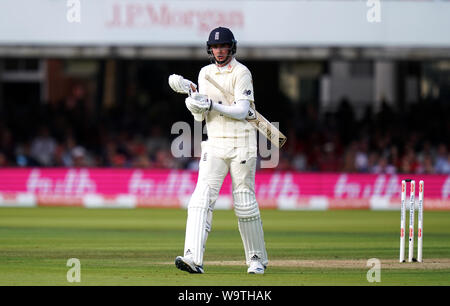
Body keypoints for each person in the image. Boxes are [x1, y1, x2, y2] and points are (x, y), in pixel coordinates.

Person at [170, 27, 268, 274]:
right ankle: (193, 258)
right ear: (210, 49)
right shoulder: (204, 73)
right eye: (215, 47)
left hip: (242, 143)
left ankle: (256, 259)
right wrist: (193, 102)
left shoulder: (241, 72)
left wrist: (212, 103)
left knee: (244, 201)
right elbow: (200, 117)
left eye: (223, 46)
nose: (219, 51)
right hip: (214, 142)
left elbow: (243, 110)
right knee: (200, 199)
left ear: (231, 47)